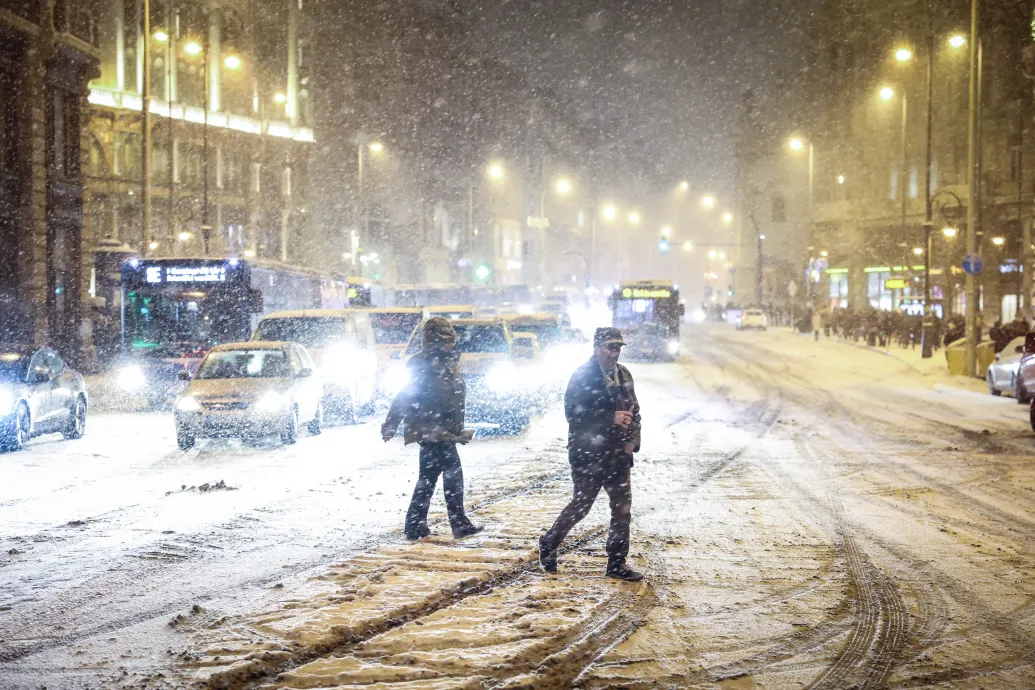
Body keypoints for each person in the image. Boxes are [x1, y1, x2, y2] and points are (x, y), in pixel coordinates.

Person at [539, 327, 643, 582]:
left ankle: (616, 563)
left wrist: (633, 440)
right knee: (581, 505)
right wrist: (610, 418)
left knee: (621, 510)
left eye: (618, 347)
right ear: (597, 348)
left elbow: (635, 412)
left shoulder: (624, 374)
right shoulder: (583, 376)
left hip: (617, 454)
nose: (614, 352)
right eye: (610, 347)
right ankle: (549, 542)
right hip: (589, 454)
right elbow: (574, 416)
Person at [381, 317, 482, 541]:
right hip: (431, 428)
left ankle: (417, 525)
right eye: (446, 341)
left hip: (443, 428)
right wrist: (391, 424)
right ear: (435, 342)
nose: (451, 345)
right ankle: (456, 523)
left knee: (429, 476)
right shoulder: (421, 364)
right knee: (451, 474)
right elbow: (406, 394)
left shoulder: (448, 361)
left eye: (451, 341)